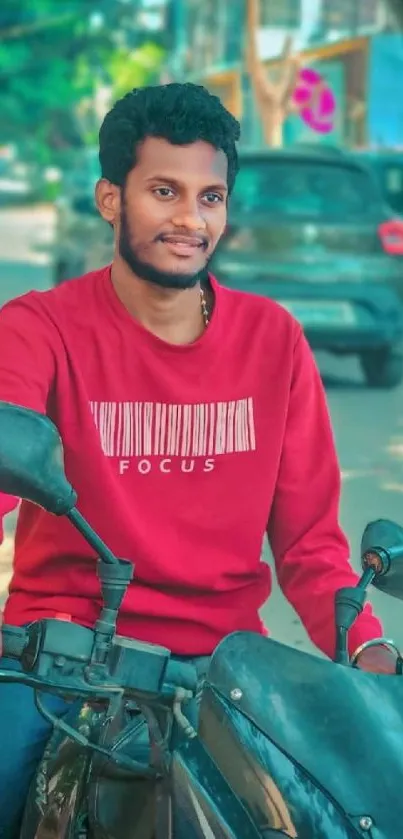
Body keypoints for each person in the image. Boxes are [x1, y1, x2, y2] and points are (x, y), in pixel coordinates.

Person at [0, 83, 394, 837]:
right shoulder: (37, 329)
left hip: (228, 672)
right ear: (110, 198)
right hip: (64, 661)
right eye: (163, 191)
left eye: (209, 195)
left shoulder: (273, 339)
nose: (189, 219)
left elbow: (312, 547)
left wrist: (367, 645)